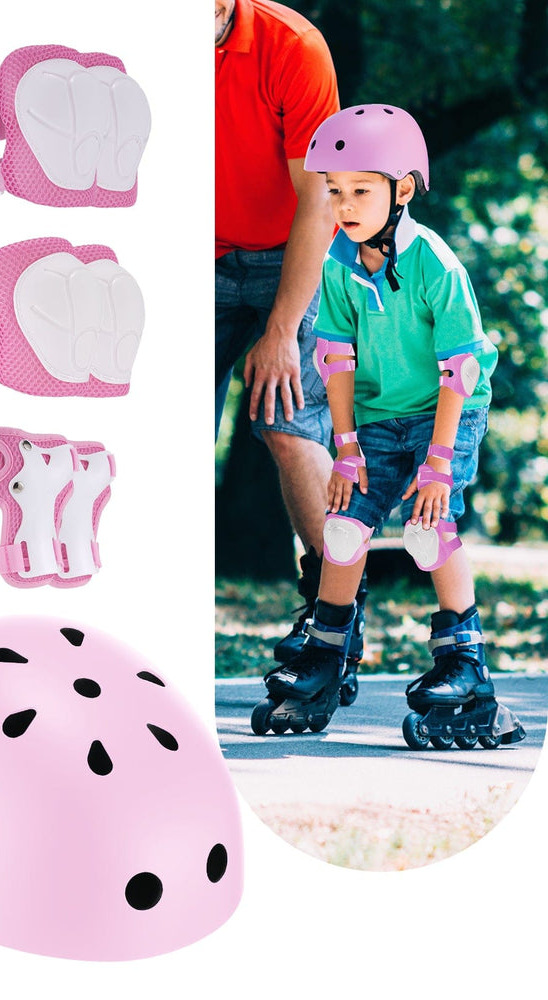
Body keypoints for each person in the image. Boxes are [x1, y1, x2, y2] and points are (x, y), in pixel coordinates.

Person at [256, 103, 522, 748]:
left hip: (446, 413)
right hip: (377, 415)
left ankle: (466, 667)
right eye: (334, 191)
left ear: (402, 189)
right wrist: (344, 450)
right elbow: (337, 360)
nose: (344, 205)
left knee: (428, 531)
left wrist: (436, 466)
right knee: (343, 528)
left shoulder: (435, 263)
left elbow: (460, 370)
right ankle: (326, 653)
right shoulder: (340, 262)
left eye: (361, 190)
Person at [215, 0, 366, 674]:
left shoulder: (293, 46)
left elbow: (320, 198)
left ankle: (334, 614)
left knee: (286, 420)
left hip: (293, 251)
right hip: (201, 255)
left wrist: (279, 332)